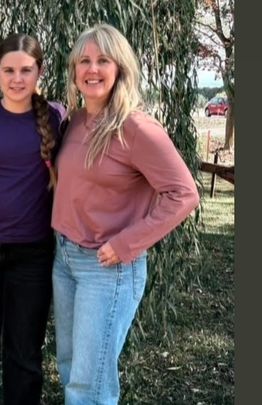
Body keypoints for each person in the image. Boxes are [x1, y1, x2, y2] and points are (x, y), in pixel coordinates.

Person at [51, 23, 201, 405]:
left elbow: (184, 194)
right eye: (84, 60)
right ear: (74, 70)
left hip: (107, 268)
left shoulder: (135, 128)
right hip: (65, 259)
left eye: (103, 60)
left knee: (90, 385)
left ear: (120, 68)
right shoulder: (74, 120)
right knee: (70, 367)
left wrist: (126, 243)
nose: (92, 69)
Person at [0, 33, 66, 405]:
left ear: (40, 71)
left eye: (26, 70)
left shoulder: (55, 118)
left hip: (32, 255)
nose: (17, 79)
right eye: (8, 70)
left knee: (24, 352)